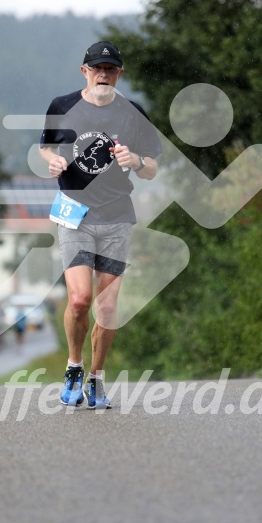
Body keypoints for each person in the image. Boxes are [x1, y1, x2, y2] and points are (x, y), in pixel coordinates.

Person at [39, 41, 161, 409]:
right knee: (79, 300)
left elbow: (154, 168)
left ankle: (96, 378)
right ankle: (74, 365)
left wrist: (137, 160)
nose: (103, 75)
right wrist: (53, 162)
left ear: (120, 74)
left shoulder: (133, 113)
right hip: (74, 215)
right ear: (84, 71)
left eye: (110, 70)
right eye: (97, 69)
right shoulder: (62, 107)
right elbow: (46, 146)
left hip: (116, 217)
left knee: (106, 309)